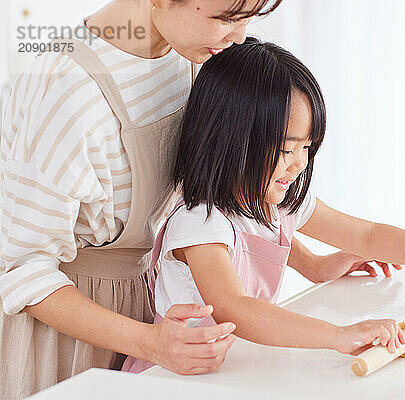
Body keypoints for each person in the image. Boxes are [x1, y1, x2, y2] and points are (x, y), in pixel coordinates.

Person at [0, 1, 355, 398]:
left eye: (248, 16)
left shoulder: (191, 52)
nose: (239, 36)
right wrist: (149, 343)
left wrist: (311, 262)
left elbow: (218, 191)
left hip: (157, 318)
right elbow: (21, 269)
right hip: (67, 336)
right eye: (225, 17)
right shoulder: (65, 91)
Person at [120, 37, 405, 373]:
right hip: (173, 375)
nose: (299, 163)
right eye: (287, 148)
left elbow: (366, 235)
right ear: (232, 139)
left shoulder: (275, 201)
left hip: (237, 366)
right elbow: (235, 308)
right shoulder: (200, 223)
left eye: (307, 147)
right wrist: (337, 336)